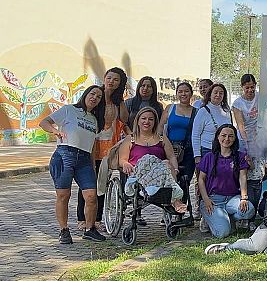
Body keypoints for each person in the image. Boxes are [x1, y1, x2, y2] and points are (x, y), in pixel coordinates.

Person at [41, 85, 107, 244]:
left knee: (92, 196)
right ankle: (64, 230)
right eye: (92, 94)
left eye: (98, 97)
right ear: (86, 94)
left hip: (84, 159)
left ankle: (89, 229)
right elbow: (44, 122)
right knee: (64, 195)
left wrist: (92, 165)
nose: (94, 98)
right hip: (65, 154)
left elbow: (91, 146)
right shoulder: (69, 110)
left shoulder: (94, 120)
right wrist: (55, 131)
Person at [78, 67, 128, 232]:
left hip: (108, 148)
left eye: (116, 80)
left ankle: (97, 218)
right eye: (109, 77)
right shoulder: (95, 95)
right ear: (105, 77)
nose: (111, 82)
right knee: (86, 181)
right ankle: (82, 218)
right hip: (91, 144)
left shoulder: (117, 100)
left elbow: (124, 119)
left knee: (102, 183)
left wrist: (120, 100)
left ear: (120, 84)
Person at [117, 107, 186, 213]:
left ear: (155, 122)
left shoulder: (162, 138)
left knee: (166, 163)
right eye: (143, 118)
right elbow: (122, 159)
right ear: (138, 121)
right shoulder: (130, 139)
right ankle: (175, 199)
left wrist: (175, 169)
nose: (147, 122)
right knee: (148, 158)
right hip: (140, 172)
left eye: (150, 119)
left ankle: (173, 199)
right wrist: (125, 163)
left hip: (161, 172)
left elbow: (171, 156)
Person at [197, 124, 255, 238]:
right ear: (218, 137)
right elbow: (201, 179)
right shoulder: (209, 157)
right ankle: (212, 219)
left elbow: (242, 177)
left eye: (231, 136)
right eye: (223, 135)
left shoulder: (240, 156)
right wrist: (206, 199)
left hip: (232, 199)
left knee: (249, 210)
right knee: (222, 233)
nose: (227, 139)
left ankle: (226, 219)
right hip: (213, 200)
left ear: (234, 139)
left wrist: (244, 198)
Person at [158, 81, 197, 207]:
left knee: (185, 179)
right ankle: (168, 208)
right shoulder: (170, 108)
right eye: (180, 91)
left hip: (188, 150)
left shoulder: (197, 112)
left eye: (186, 91)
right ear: (176, 94)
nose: (183, 94)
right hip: (170, 148)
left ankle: (180, 208)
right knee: (170, 178)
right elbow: (160, 128)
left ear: (191, 93)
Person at [231, 74, 265, 214]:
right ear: (242, 87)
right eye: (247, 88)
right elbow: (241, 126)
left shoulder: (261, 97)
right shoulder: (238, 104)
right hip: (245, 141)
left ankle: (260, 204)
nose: (250, 90)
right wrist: (248, 147)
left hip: (261, 139)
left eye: (252, 87)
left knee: (261, 173)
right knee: (247, 172)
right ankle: (247, 207)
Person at [192, 83, 233, 160]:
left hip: (224, 151)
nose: (218, 95)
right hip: (207, 150)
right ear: (210, 95)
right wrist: (197, 156)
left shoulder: (227, 111)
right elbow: (195, 135)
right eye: (215, 92)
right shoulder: (203, 111)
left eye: (221, 93)